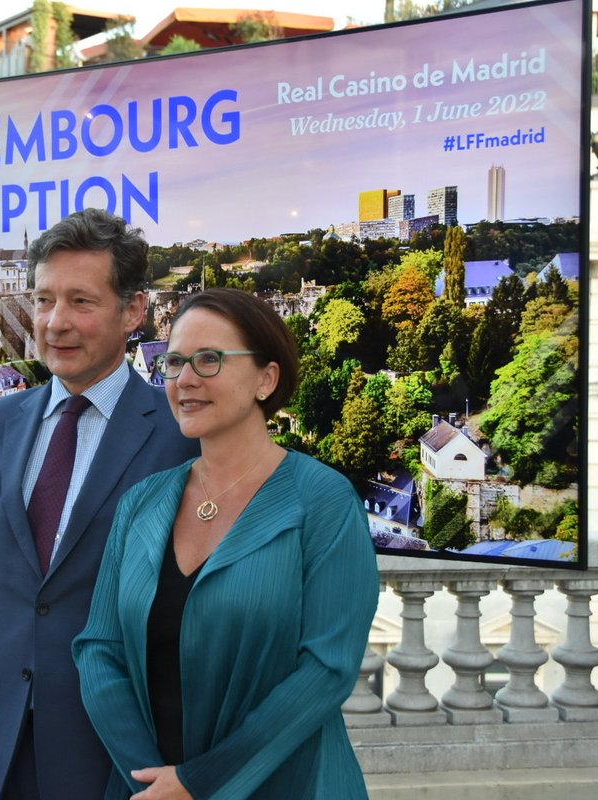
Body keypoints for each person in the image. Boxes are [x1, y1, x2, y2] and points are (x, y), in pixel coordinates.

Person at [0, 209, 199, 800]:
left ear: (134, 311)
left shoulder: (182, 438)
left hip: (119, 751)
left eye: (81, 301)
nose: (54, 323)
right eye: (45, 299)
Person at [73, 288, 379, 799]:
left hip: (289, 785)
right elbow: (98, 650)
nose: (185, 380)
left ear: (267, 378)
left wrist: (199, 783)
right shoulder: (142, 503)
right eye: (174, 362)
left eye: (209, 359)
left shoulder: (324, 502)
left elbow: (327, 670)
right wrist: (150, 780)